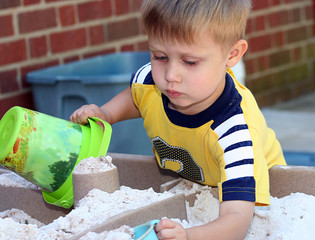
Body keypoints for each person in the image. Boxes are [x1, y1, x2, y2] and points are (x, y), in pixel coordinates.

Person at [70, 0, 286, 239]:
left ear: (232, 54)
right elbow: (136, 96)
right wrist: (106, 114)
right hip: (196, 178)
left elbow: (237, 221)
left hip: (254, 192)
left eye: (190, 62)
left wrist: (188, 236)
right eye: (160, 56)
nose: (170, 76)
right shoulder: (151, 79)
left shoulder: (234, 133)